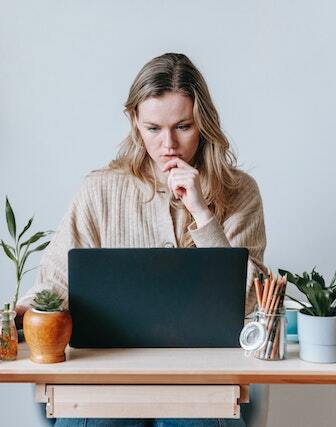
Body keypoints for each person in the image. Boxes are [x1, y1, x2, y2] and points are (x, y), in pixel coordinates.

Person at [16, 53, 267, 427]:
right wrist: (15, 318)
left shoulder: (240, 191)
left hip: (203, 382)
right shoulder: (99, 190)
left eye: (183, 126)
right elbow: (54, 285)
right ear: (134, 122)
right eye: (153, 128)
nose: (168, 144)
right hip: (106, 380)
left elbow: (253, 303)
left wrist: (202, 212)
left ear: (204, 123)